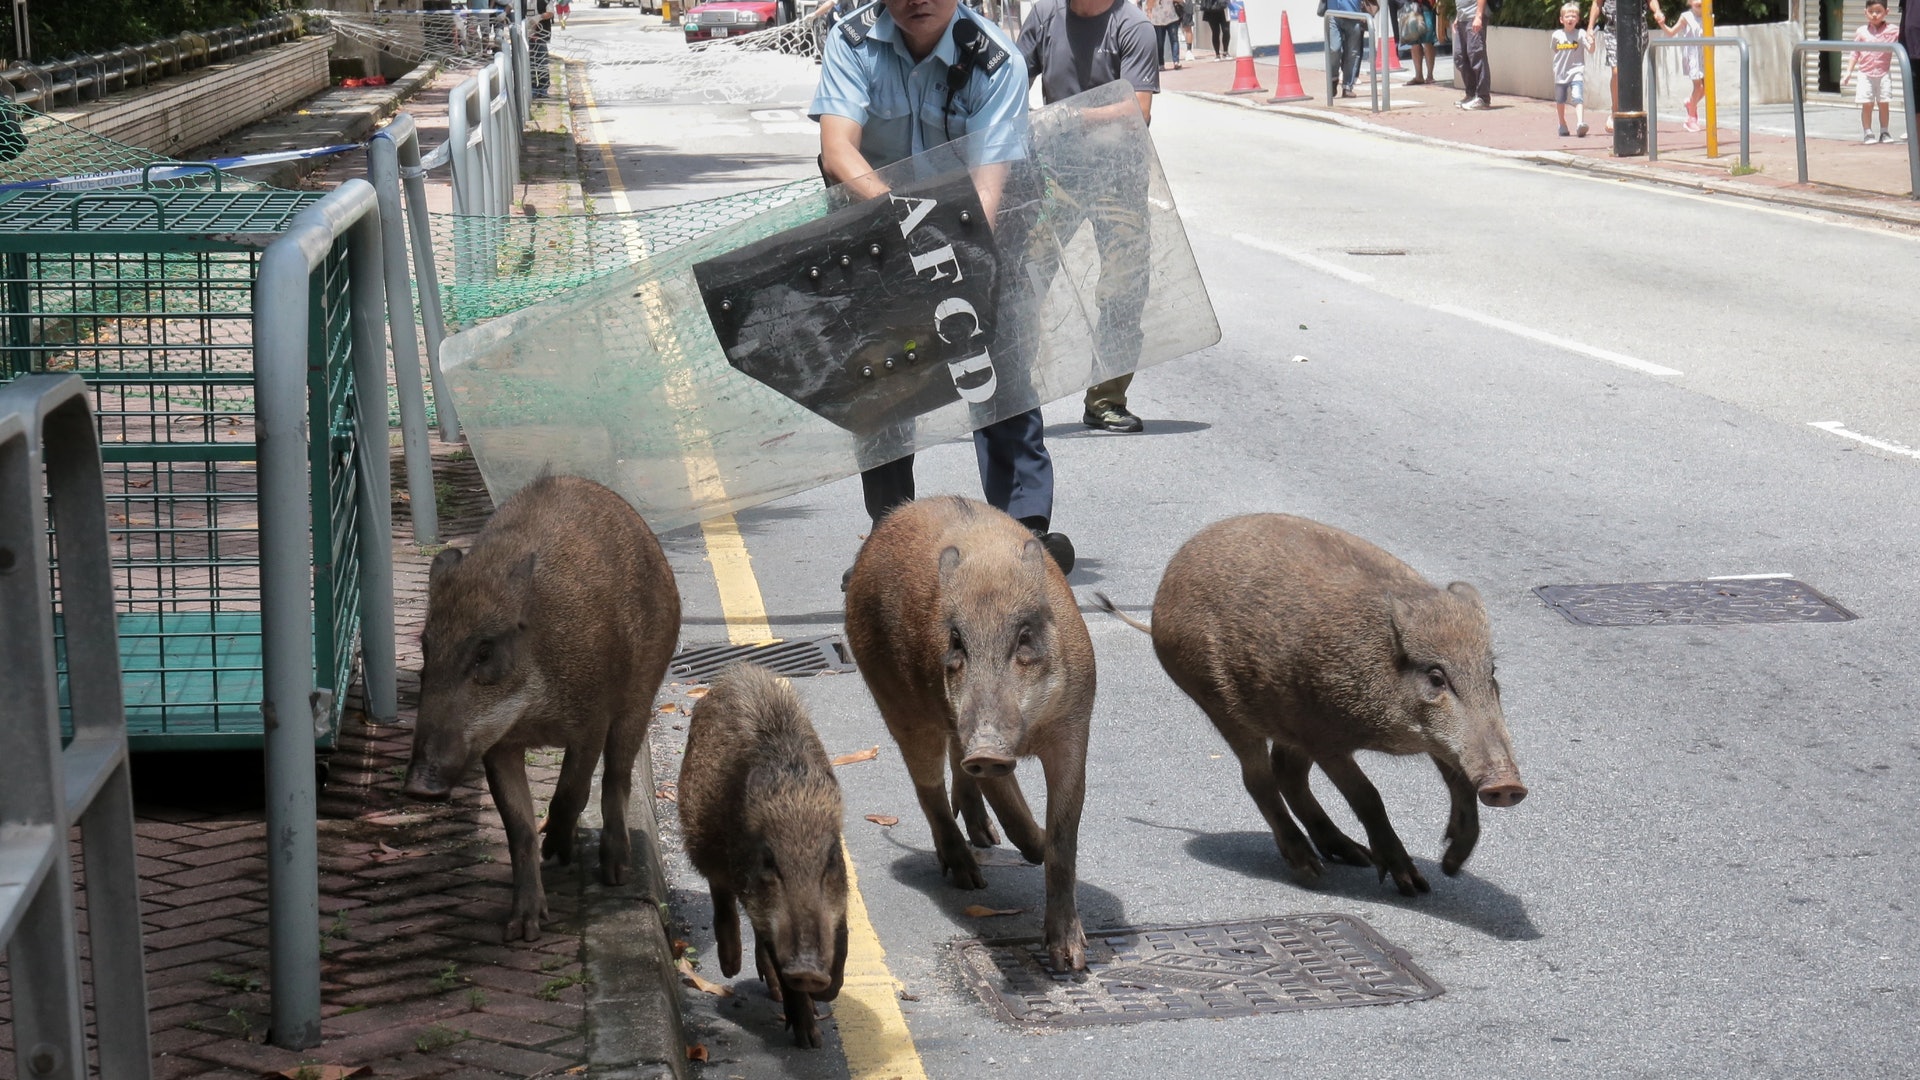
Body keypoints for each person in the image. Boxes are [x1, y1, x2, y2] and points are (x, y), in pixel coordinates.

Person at [811, 0, 1075, 574]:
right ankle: (891, 544)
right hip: (874, 230)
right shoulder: (851, 41)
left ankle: (1024, 534)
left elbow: (988, 185)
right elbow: (838, 151)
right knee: (880, 383)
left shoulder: (995, 60)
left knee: (998, 368)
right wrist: (905, 224)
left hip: (979, 224)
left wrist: (946, 251)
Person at [1017, 0, 1159, 434]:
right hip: (1056, 175)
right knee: (1022, 280)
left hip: (1119, 178)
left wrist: (1070, 116)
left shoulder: (1133, 27)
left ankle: (1106, 399)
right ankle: (1012, 397)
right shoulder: (1044, 17)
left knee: (1123, 288)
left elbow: (1139, 110)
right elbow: (1007, 79)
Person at [1843, 0, 1904, 143]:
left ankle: (1884, 131)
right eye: (1871, 12)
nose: (1874, 15)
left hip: (1883, 73)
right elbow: (1855, 53)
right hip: (1865, 73)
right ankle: (1868, 132)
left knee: (1884, 102)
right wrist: (1848, 72)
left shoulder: (1893, 30)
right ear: (1865, 13)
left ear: (1886, 12)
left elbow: (1904, 41)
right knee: (1867, 103)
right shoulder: (1861, 31)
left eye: (1878, 11)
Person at [1650, 0, 1704, 131]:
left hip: (1704, 54)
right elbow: (1671, 32)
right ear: (1689, 2)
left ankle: (1690, 103)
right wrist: (1662, 24)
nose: (1699, 1)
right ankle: (1691, 118)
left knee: (1706, 88)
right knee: (1699, 86)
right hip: (1693, 55)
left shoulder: (1708, 16)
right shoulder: (1687, 17)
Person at [1551, 2, 1590, 136]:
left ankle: (1580, 123)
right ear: (1562, 19)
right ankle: (1562, 123)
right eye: (1567, 16)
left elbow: (1591, 49)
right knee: (1560, 100)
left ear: (1578, 19)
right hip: (1560, 74)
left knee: (1578, 97)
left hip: (1576, 72)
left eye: (1574, 16)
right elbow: (1555, 50)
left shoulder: (1581, 34)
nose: (1570, 19)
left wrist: (1593, 42)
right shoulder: (1556, 35)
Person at [1326, 0, 1371, 97]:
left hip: (1353, 13)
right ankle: (1333, 78)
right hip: (1334, 13)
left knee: (1352, 53)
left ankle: (1347, 87)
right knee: (1334, 49)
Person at [1453, 0, 1490, 109]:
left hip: (1473, 17)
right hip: (1462, 18)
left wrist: (1478, 16)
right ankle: (1471, 94)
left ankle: (1483, 97)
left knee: (1477, 57)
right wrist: (1457, 17)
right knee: (1460, 57)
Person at [1402, 0, 1439, 83]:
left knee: (1428, 41)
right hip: (1412, 6)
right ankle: (1418, 76)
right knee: (1414, 41)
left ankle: (1430, 75)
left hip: (1427, 6)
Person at [1145, 0, 1184, 69]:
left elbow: (1181, 1)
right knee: (1159, 43)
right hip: (1157, 20)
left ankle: (1176, 61)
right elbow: (1149, 6)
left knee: (1174, 40)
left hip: (1172, 18)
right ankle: (1161, 64)